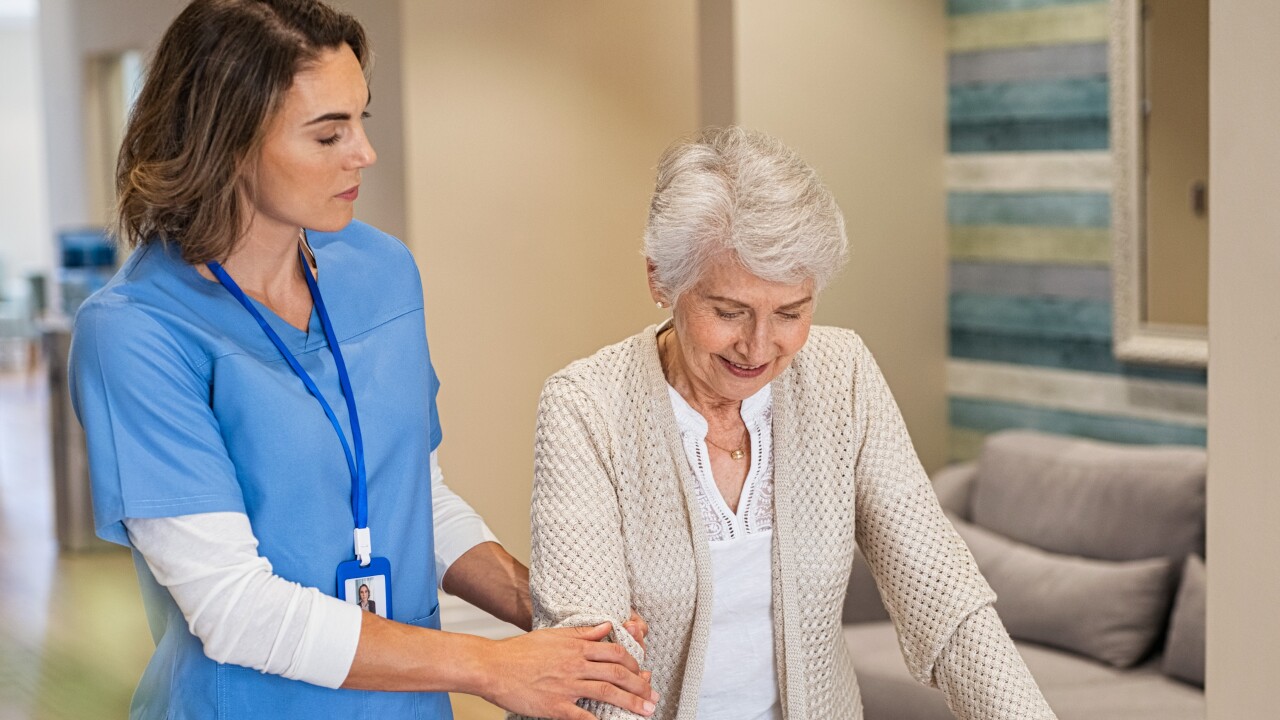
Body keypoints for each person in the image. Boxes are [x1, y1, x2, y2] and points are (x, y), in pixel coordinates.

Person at [68, 1, 656, 718]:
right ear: (227, 144)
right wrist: (495, 668)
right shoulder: (136, 332)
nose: (363, 154)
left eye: (361, 120)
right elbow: (233, 606)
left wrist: (551, 617)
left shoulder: (380, 269)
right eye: (328, 134)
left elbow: (415, 494)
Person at [519, 127, 1059, 719]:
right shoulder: (587, 406)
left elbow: (940, 590)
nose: (758, 346)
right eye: (729, 312)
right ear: (660, 279)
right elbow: (596, 662)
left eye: (791, 313)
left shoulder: (841, 374)